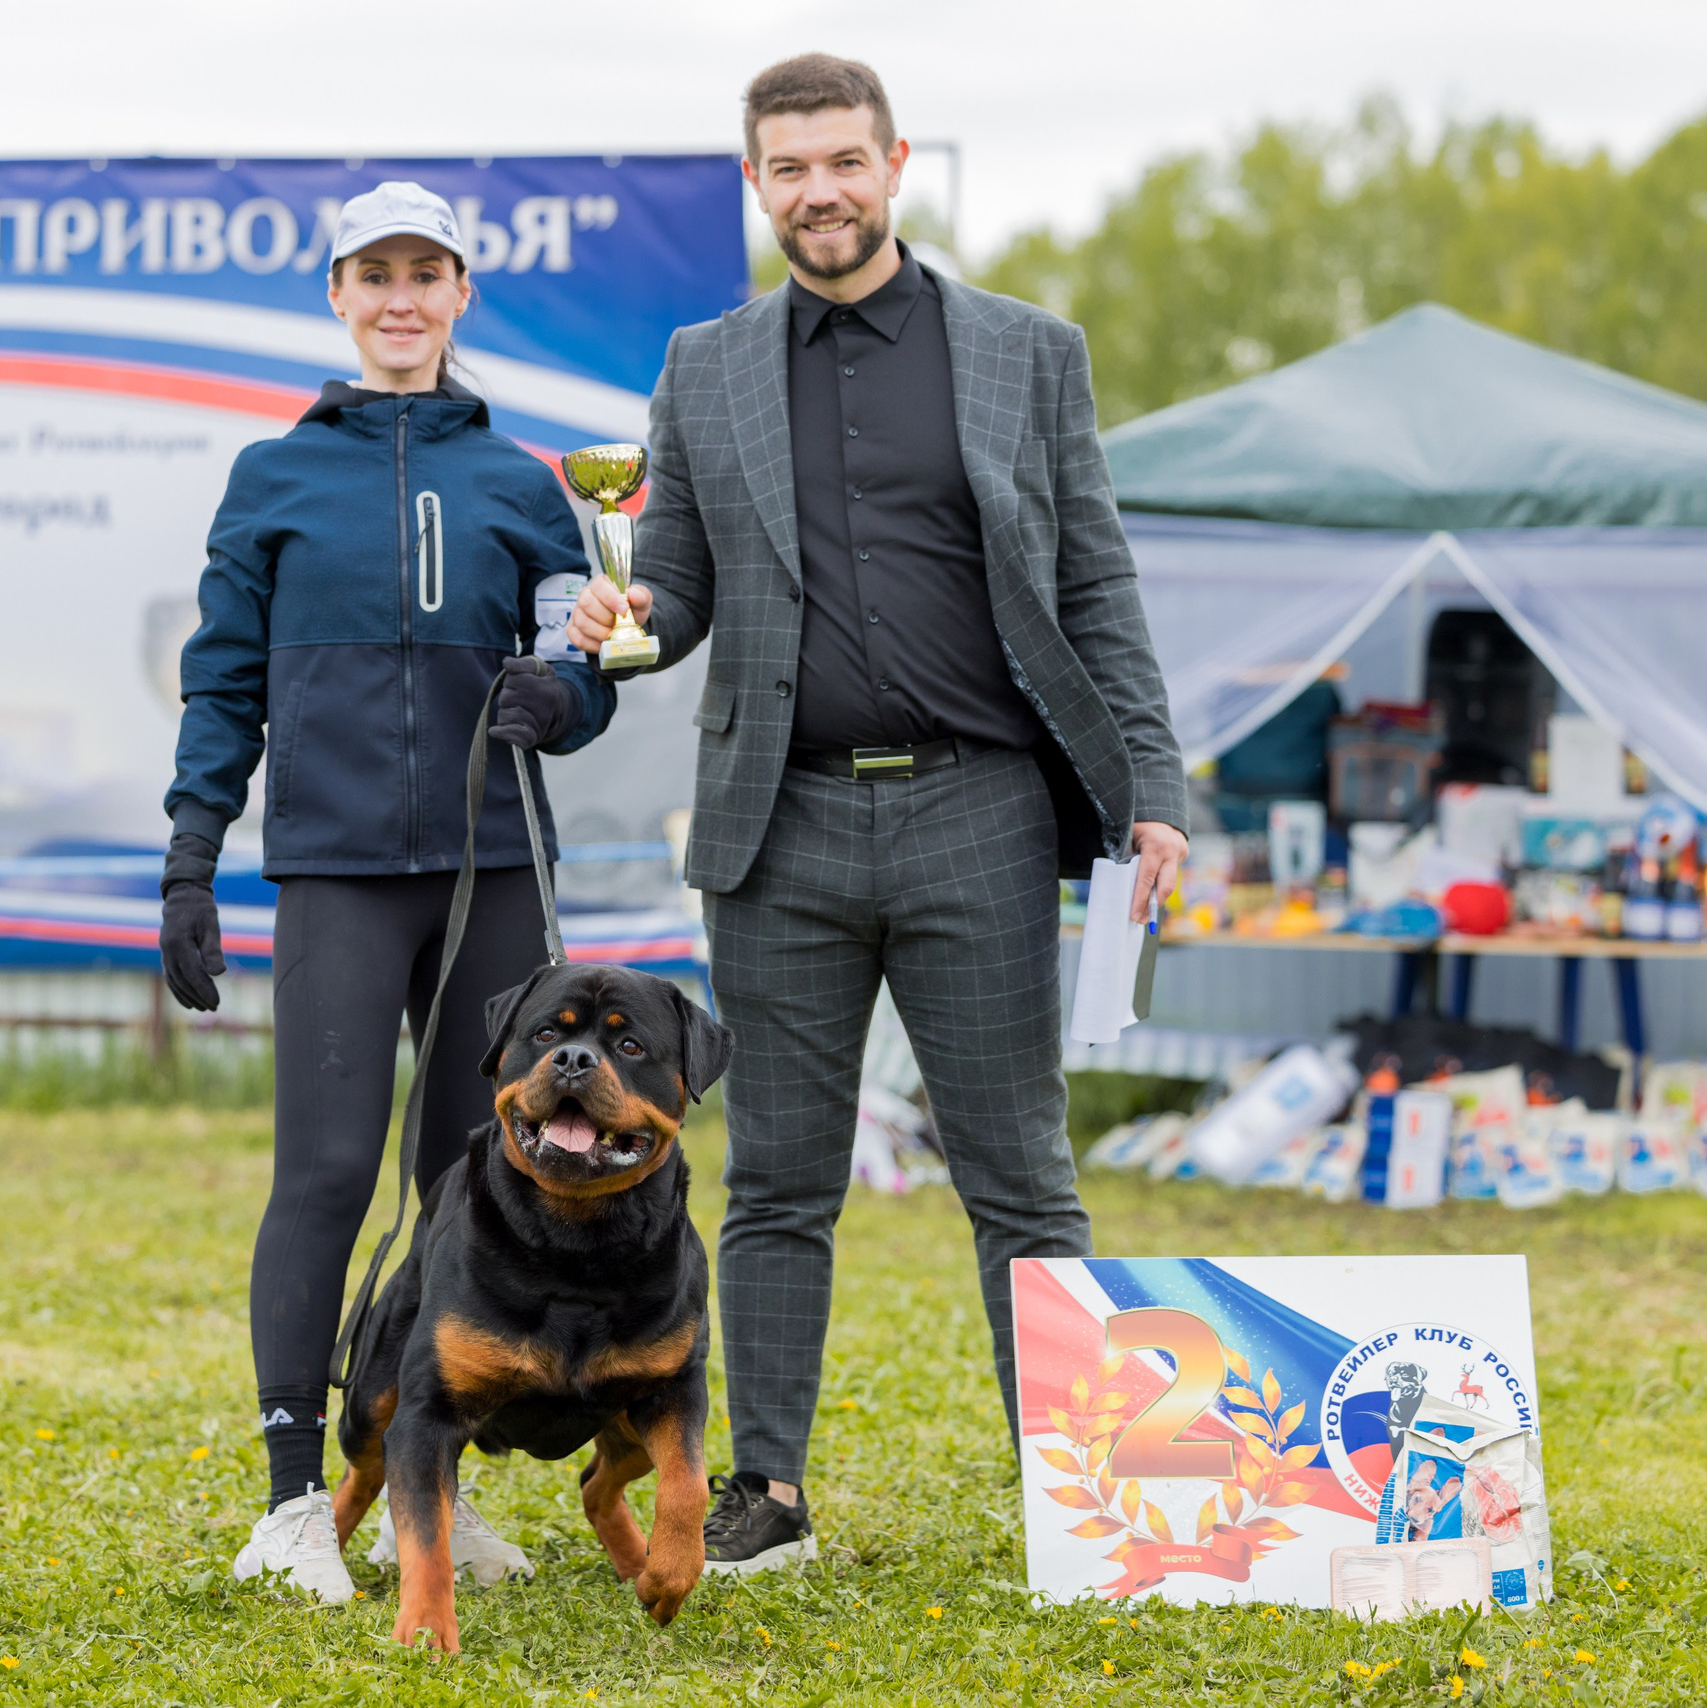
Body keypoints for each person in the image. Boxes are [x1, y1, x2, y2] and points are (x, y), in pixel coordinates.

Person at [570, 55, 1189, 1574]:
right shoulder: (702, 366)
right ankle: (763, 1495)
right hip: (778, 830)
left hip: (982, 814)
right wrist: (629, 606)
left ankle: (1083, 1495)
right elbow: (686, 589)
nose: (820, 192)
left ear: (894, 163)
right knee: (779, 1179)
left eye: (844, 162)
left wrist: (1154, 787)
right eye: (790, 170)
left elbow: (1097, 582)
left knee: (1021, 1177)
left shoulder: (1026, 355)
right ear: (755, 185)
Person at [160, 180, 617, 1603]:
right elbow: (223, 679)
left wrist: (568, 690)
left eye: (428, 272)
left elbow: (584, 669)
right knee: (325, 1175)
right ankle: (297, 1499)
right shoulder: (273, 477)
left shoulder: (526, 483)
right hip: (341, 874)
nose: (402, 296)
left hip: (494, 875)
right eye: (375, 274)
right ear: (339, 296)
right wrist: (193, 849)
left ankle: (437, 1489)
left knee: (471, 1186)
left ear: (463, 293)